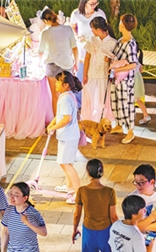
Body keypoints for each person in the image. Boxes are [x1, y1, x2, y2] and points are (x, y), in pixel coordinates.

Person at [73, 159, 118, 252]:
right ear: (102, 172)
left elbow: (77, 213)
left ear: (88, 172)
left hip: (89, 233)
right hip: (106, 233)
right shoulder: (109, 192)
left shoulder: (82, 191)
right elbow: (113, 216)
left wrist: (74, 229)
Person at [47, 71, 83, 203]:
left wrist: (53, 127)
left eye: (58, 82)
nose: (55, 84)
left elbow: (67, 118)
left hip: (68, 136)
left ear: (66, 84)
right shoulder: (68, 95)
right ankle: (70, 187)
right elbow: (60, 115)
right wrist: (51, 124)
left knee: (66, 164)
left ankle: (78, 193)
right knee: (66, 163)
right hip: (68, 135)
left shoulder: (65, 98)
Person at [39, 8, 78, 115]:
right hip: (67, 64)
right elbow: (75, 48)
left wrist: (39, 63)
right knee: (67, 95)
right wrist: (76, 63)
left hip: (52, 66)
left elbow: (41, 51)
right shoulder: (68, 29)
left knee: (55, 96)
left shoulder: (45, 33)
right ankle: (69, 120)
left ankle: (57, 123)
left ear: (45, 21)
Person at [110, 14, 140, 144]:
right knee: (116, 102)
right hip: (116, 79)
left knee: (126, 105)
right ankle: (119, 124)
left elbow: (134, 64)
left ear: (122, 25)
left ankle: (130, 131)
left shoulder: (130, 44)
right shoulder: (120, 41)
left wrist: (118, 69)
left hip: (125, 81)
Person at [81, 17, 116, 122]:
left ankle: (100, 122)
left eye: (92, 29)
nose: (91, 31)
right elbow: (87, 57)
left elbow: (114, 61)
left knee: (101, 101)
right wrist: (85, 74)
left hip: (103, 75)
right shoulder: (92, 40)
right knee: (89, 98)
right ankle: (88, 121)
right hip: (91, 74)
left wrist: (109, 60)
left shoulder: (112, 42)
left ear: (99, 29)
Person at [70, 0, 106, 81]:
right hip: (82, 46)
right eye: (91, 4)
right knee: (81, 71)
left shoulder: (100, 13)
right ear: (84, 3)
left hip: (96, 46)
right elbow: (73, 27)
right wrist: (76, 36)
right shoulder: (76, 14)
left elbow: (105, 29)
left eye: (96, 3)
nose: (94, 5)